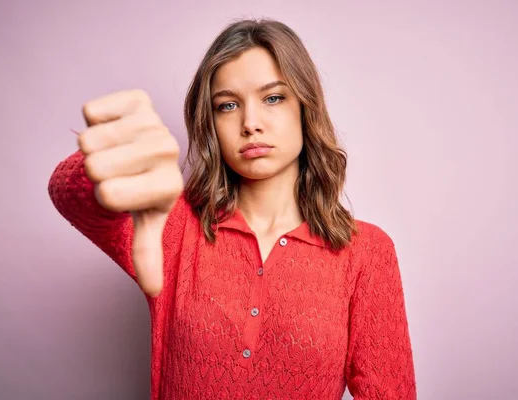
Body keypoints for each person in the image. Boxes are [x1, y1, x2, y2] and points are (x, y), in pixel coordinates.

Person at [48, 18, 416, 399]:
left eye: (273, 98)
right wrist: (117, 152)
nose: (250, 123)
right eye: (227, 105)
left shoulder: (366, 252)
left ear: (305, 107)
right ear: (211, 122)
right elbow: (69, 193)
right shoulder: (175, 226)